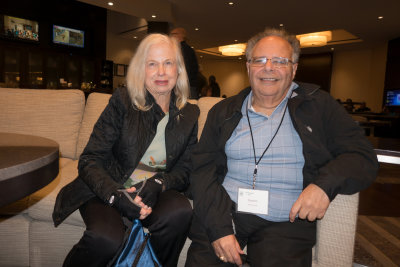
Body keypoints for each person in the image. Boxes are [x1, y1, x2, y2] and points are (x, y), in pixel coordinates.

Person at [186, 28, 378, 267]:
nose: (269, 67)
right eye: (260, 60)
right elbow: (201, 170)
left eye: (280, 61)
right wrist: (218, 228)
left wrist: (323, 185)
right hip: (227, 213)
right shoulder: (223, 111)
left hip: (285, 221)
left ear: (294, 68)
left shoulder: (319, 106)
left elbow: (362, 156)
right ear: (248, 67)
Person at [52, 33, 199, 267]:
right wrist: (116, 196)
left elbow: (186, 169)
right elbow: (90, 159)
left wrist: (160, 183)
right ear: (142, 70)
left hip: (152, 192)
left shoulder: (189, 114)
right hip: (107, 188)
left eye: (168, 63)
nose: (161, 71)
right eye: (152, 64)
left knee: (180, 212)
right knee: (105, 239)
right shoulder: (122, 101)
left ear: (178, 70)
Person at [170, 27, 200, 99]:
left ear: (181, 36)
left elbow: (186, 69)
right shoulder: (184, 49)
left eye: (174, 34)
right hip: (186, 87)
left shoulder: (183, 50)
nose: (171, 36)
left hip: (184, 87)